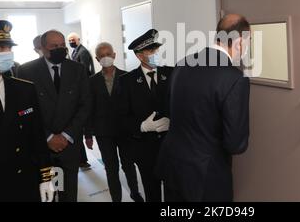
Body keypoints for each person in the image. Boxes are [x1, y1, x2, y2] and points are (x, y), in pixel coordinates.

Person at [156, 14, 251, 202]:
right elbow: (236, 144)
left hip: (172, 167)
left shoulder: (183, 64)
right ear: (240, 42)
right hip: (205, 177)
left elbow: (169, 110)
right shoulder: (235, 79)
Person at [0, 20, 54, 202]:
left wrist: (46, 177)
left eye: (9, 48)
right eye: (0, 48)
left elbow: (37, 136)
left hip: (23, 181)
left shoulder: (24, 89)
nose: (7, 53)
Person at [17, 30, 91, 202]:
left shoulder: (77, 69)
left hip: (70, 144)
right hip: (42, 146)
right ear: (42, 48)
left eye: (62, 45)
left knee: (69, 193)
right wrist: (48, 136)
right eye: (54, 46)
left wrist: (66, 135)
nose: (60, 49)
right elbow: (24, 111)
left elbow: (86, 105)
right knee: (47, 193)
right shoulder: (26, 71)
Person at [119, 29, 173, 202]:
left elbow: (183, 105)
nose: (156, 54)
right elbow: (121, 117)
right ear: (140, 56)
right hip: (145, 150)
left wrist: (174, 122)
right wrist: (141, 126)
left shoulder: (172, 74)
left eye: (156, 50)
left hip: (171, 145)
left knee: (174, 191)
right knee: (152, 192)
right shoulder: (126, 81)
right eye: (151, 51)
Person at [86, 42, 144, 202]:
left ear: (114, 55)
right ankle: (116, 198)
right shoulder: (91, 82)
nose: (106, 58)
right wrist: (88, 134)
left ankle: (135, 192)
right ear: (97, 59)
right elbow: (89, 109)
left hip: (125, 132)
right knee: (111, 168)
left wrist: (136, 129)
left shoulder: (127, 77)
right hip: (103, 133)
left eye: (108, 54)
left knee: (128, 165)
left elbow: (134, 106)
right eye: (102, 55)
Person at [68, 32, 94, 169]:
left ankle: (83, 159)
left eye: (73, 40)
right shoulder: (75, 51)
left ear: (78, 40)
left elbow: (84, 70)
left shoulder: (83, 52)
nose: (71, 41)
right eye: (69, 40)